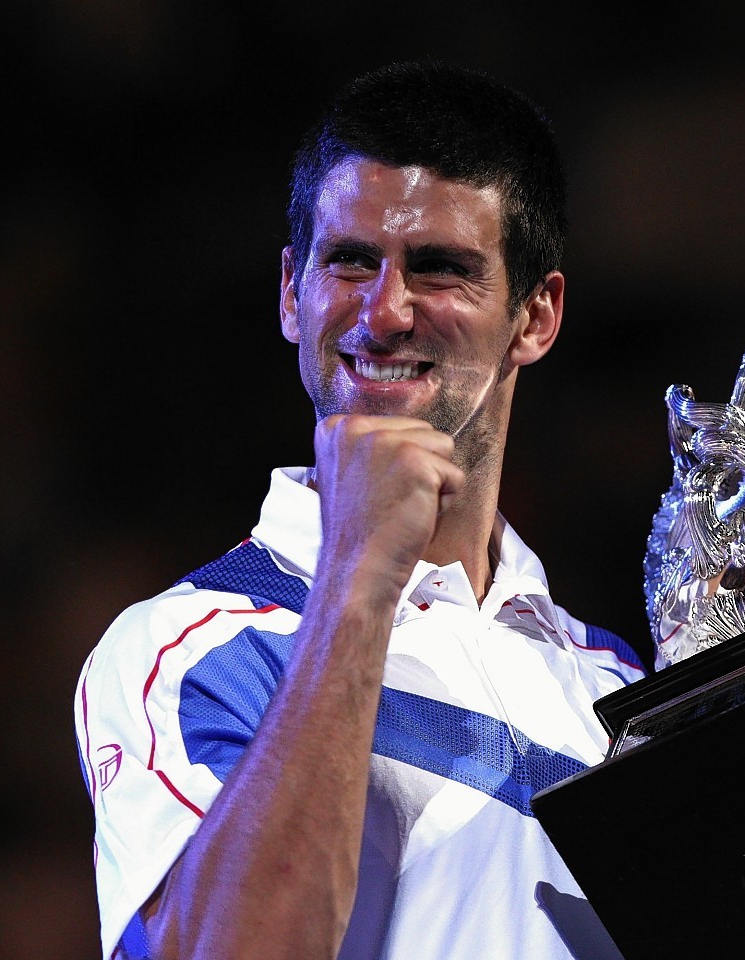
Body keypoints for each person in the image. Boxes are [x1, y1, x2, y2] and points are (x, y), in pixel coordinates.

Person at [74, 61, 648, 960]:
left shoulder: (614, 689)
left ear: (535, 317)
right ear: (290, 293)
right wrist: (357, 575)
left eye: (442, 270)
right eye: (349, 260)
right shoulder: (186, 647)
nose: (385, 312)